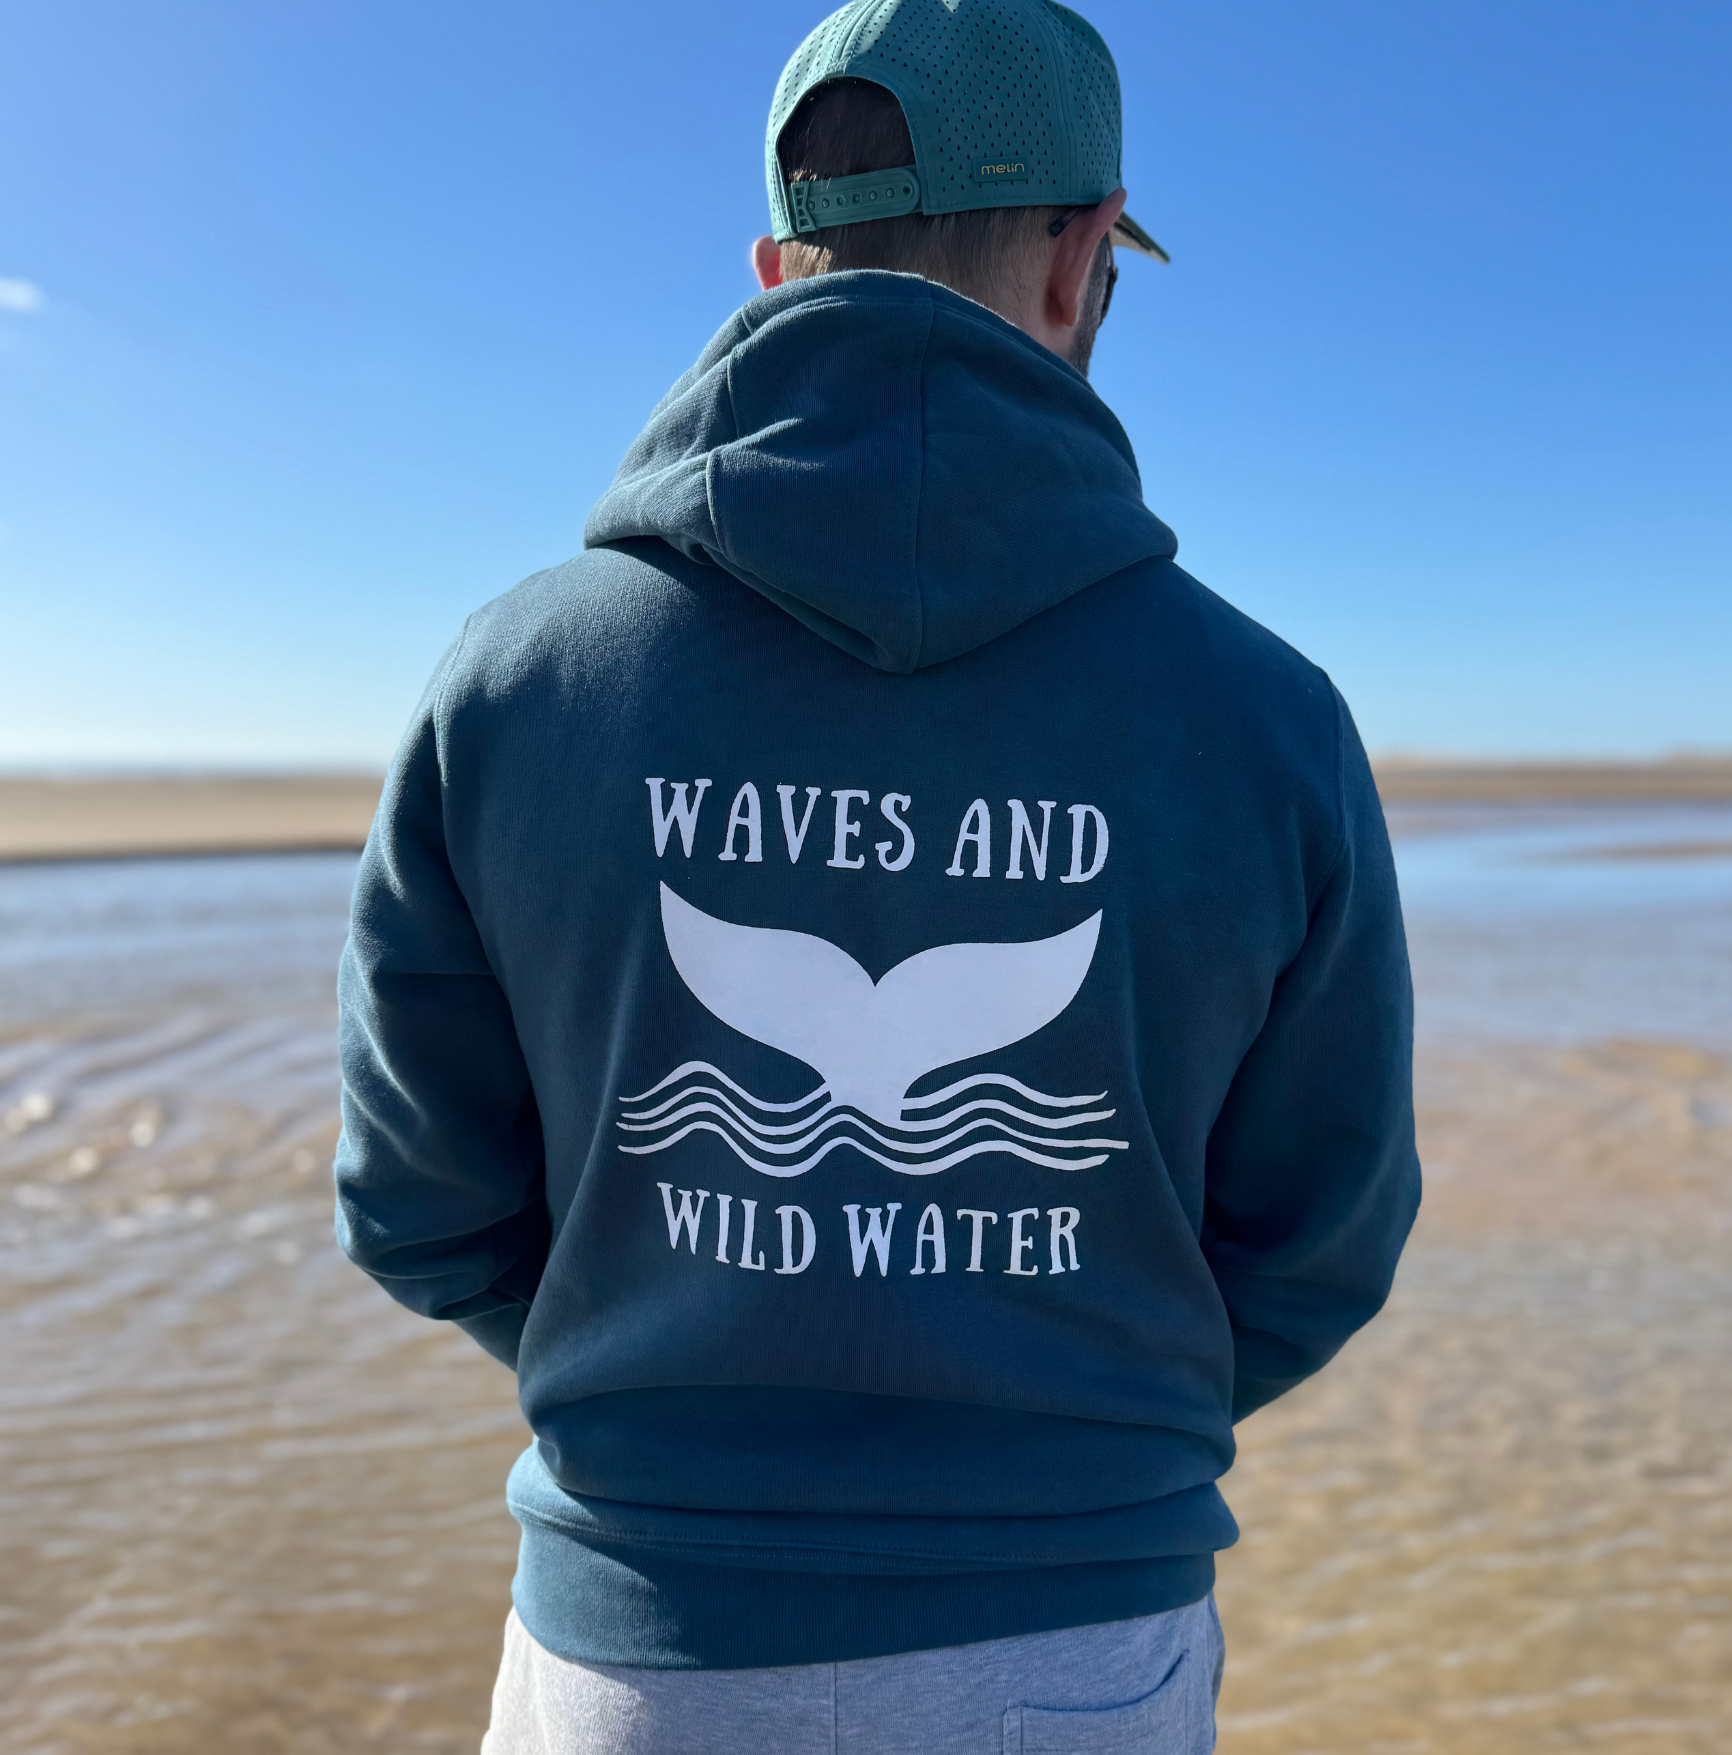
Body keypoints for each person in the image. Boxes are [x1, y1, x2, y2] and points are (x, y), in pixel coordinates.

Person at [333, 1, 1421, 1749]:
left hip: (636, 1646)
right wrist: (1080, 1421)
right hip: (1079, 1644)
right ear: (1080, 262)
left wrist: (668, 1363)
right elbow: (1321, 1240)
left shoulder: (516, 682)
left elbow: (417, 1199)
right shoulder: (1265, 719)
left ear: (778, 266)